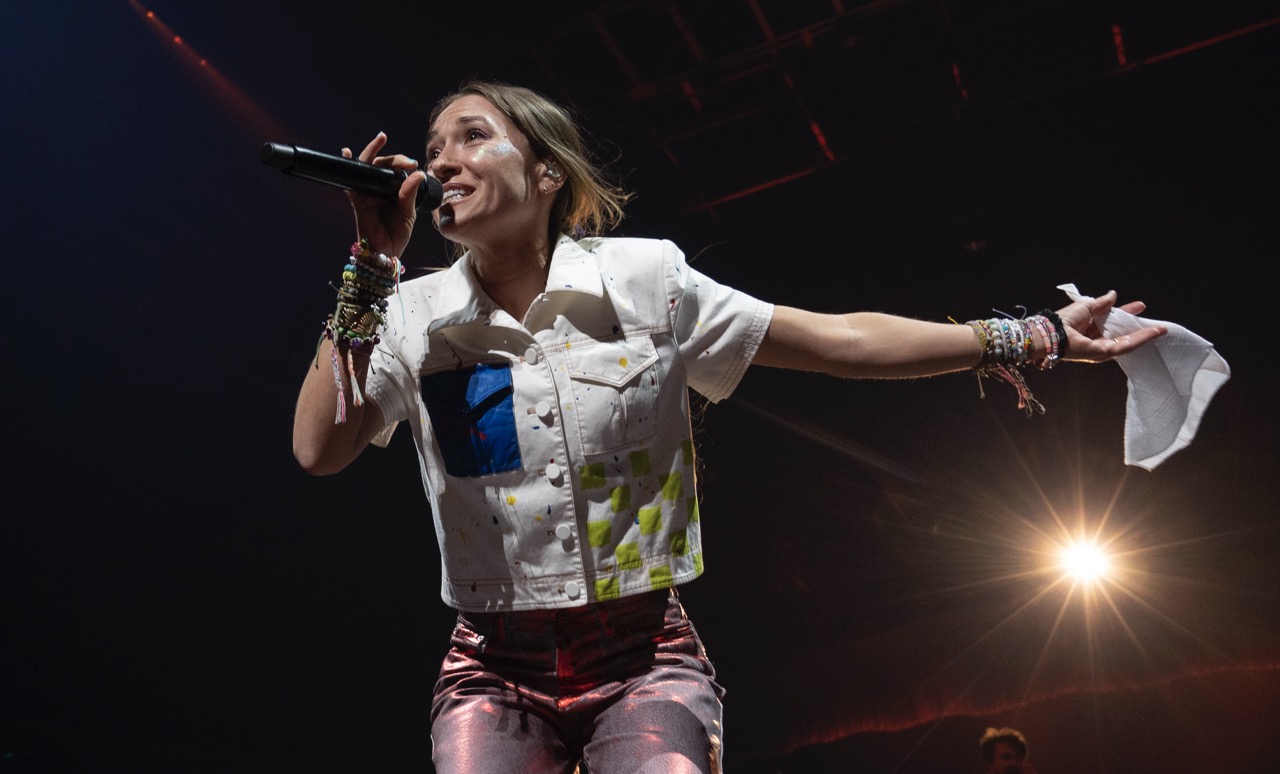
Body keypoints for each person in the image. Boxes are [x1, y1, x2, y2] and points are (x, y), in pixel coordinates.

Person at [291, 79, 1166, 774]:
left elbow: (840, 342)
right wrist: (371, 263)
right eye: (433, 147)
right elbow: (318, 449)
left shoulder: (646, 280)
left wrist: (1033, 335)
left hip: (642, 654)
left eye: (473, 136)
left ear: (547, 172)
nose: (442, 160)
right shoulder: (409, 313)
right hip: (492, 665)